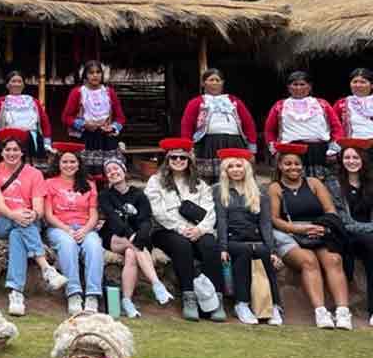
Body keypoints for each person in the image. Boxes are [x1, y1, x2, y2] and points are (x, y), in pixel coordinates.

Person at [269, 142, 352, 329]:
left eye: (297, 163)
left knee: (333, 260)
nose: (293, 167)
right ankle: (321, 311)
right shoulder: (275, 188)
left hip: (319, 230)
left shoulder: (314, 183)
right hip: (290, 233)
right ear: (280, 166)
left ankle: (342, 311)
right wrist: (301, 229)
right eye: (288, 164)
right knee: (309, 261)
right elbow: (274, 219)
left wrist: (321, 226)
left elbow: (330, 209)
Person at [0, 129, 67, 317]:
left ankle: (16, 293)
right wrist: (15, 215)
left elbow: (39, 208)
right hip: (1, 220)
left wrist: (32, 214)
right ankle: (46, 268)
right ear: (1, 152)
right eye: (7, 150)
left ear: (22, 152)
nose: (11, 153)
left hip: (27, 223)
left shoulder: (35, 174)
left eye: (15, 150)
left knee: (18, 234)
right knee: (19, 224)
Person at [144, 138, 226, 322]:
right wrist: (181, 228)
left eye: (183, 157)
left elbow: (210, 211)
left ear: (189, 161)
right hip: (167, 230)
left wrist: (200, 229)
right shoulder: (155, 182)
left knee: (210, 245)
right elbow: (157, 211)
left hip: (198, 230)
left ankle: (216, 299)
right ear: (167, 160)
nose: (178, 161)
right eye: (174, 157)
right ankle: (189, 296)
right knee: (182, 246)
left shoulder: (200, 185)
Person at [213, 149, 283, 326]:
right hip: (233, 240)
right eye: (231, 167)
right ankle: (242, 303)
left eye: (239, 166)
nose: (236, 170)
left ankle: (274, 306)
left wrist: (272, 249)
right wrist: (223, 248)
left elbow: (265, 224)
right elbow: (221, 221)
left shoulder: (259, 193)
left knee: (264, 253)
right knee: (243, 253)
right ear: (225, 170)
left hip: (256, 238)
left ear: (246, 169)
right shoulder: (219, 191)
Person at [98, 158, 172, 318]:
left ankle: (127, 301)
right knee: (134, 245)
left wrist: (141, 235)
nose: (113, 172)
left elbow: (146, 219)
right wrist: (132, 235)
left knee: (132, 253)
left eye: (116, 168)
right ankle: (156, 284)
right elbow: (113, 220)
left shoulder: (138, 194)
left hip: (137, 238)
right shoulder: (105, 196)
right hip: (113, 237)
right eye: (109, 171)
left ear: (124, 171)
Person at [44, 142, 105, 315]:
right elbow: (48, 215)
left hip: (85, 227)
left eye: (72, 162)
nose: (69, 165)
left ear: (79, 164)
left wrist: (85, 230)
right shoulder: (49, 183)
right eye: (65, 162)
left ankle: (93, 294)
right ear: (59, 164)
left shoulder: (89, 184)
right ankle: (74, 293)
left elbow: (93, 213)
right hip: (59, 228)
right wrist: (67, 229)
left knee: (94, 246)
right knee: (67, 245)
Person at [180, 68, 258, 185]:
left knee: (236, 175)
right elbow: (186, 125)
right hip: (207, 144)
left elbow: (249, 123)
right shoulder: (196, 102)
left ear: (222, 83)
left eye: (218, 80)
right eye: (211, 80)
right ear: (203, 83)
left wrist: (251, 148)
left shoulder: (234, 101)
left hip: (234, 143)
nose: (215, 83)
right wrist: (187, 148)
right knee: (206, 181)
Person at [325, 138, 373, 326]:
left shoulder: (370, 183)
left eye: (355, 157)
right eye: (347, 157)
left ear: (363, 160)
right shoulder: (334, 184)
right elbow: (343, 220)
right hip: (345, 234)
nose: (351, 161)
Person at [264, 71, 343, 179]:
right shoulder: (280, 106)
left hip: (319, 151)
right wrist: (275, 150)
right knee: (293, 184)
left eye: (302, 84)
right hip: (290, 151)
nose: (298, 88)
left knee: (322, 185)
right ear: (289, 87)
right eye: (295, 84)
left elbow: (336, 127)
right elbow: (269, 130)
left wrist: (334, 149)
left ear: (309, 86)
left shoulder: (322, 104)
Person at [62, 60, 126, 177]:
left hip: (107, 140)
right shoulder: (78, 93)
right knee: (86, 175)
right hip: (86, 139)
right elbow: (66, 117)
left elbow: (121, 118)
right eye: (91, 73)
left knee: (108, 173)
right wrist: (83, 124)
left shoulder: (109, 93)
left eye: (98, 72)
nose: (95, 75)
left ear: (102, 75)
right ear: (85, 75)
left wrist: (112, 127)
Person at [0, 71, 52, 159]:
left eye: (19, 81)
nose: (17, 84)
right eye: (13, 81)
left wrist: (47, 143)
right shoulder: (0, 102)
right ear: (7, 85)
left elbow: (45, 123)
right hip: (8, 142)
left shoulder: (33, 101)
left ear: (23, 85)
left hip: (32, 142)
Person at [333, 68, 373, 139]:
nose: (358, 85)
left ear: (371, 85)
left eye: (363, 82)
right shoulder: (342, 103)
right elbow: (333, 126)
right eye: (355, 82)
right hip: (352, 144)